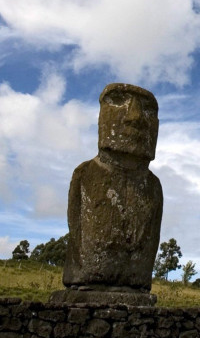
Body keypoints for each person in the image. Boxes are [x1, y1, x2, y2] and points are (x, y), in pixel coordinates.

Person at [55, 83, 163, 306]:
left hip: (137, 286)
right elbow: (76, 229)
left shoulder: (153, 186)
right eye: (117, 101)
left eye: (149, 110)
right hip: (85, 286)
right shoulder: (86, 173)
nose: (135, 117)